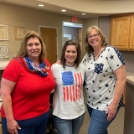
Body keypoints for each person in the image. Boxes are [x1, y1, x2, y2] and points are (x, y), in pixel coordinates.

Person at [0, 31, 55, 134]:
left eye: (37, 44)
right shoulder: (15, 64)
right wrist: (10, 120)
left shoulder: (45, 63)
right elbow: (4, 93)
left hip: (42, 116)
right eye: (30, 45)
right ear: (24, 47)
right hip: (20, 121)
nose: (34, 47)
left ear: (41, 46)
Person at [82, 25, 126, 134]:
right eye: (89, 36)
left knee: (94, 132)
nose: (92, 38)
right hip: (91, 102)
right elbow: (79, 70)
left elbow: (122, 79)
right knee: (101, 131)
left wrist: (114, 105)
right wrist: (62, 63)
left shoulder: (110, 51)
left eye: (95, 35)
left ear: (101, 36)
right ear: (87, 40)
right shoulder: (88, 55)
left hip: (107, 103)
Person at [51, 40, 85, 134]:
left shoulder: (82, 67)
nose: (71, 54)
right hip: (62, 114)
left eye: (74, 51)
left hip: (79, 111)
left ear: (77, 53)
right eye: (68, 51)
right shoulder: (55, 68)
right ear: (64, 52)